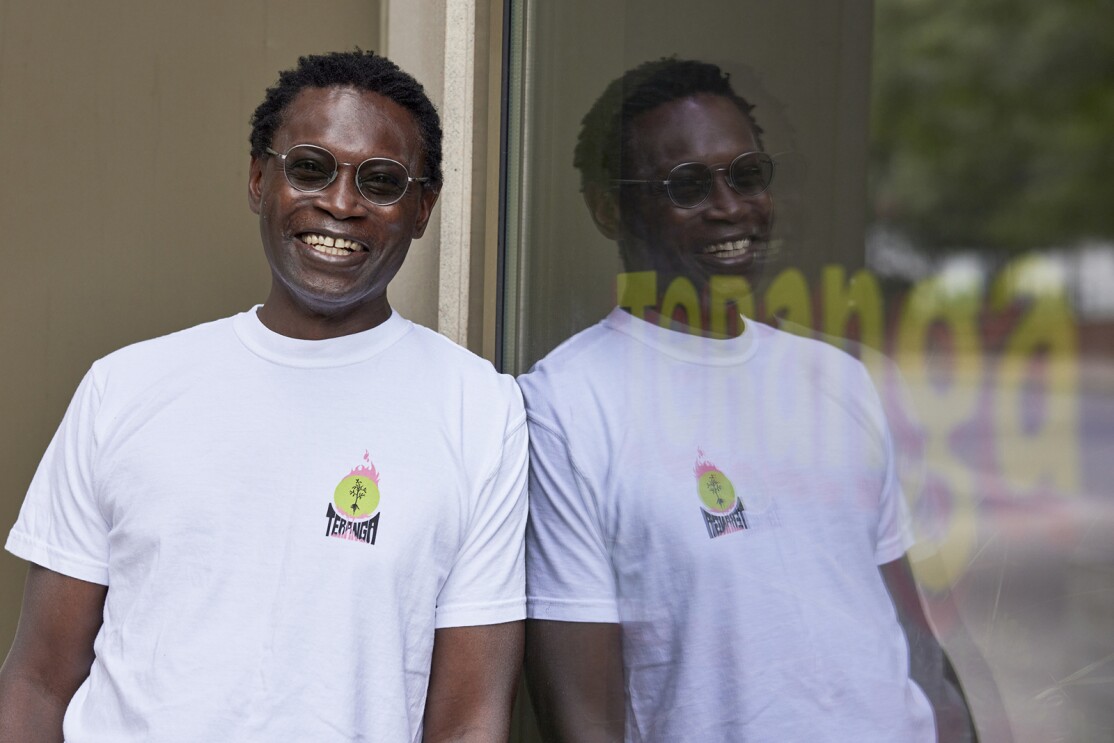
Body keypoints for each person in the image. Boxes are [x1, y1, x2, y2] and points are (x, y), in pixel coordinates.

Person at [0, 50, 528, 742]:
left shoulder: (480, 412)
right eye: (310, 167)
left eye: (382, 181)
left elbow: (469, 718)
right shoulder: (124, 388)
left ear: (423, 208)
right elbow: (38, 679)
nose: (341, 203)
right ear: (258, 178)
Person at [520, 58, 978, 742]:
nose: (731, 207)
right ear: (609, 207)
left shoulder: (842, 380)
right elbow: (584, 715)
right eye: (688, 185)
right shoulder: (564, 405)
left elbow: (914, 642)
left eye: (746, 174)